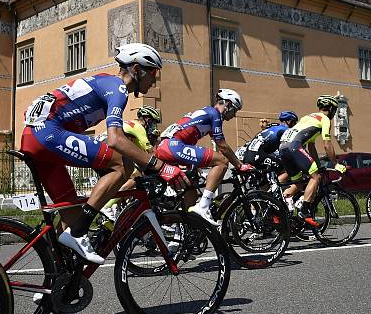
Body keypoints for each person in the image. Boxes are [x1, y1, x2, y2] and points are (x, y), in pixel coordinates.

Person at [20, 43, 184, 265]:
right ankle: (79, 233)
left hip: (36, 136)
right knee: (122, 165)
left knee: (71, 211)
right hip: (47, 133)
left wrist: (145, 162)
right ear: (136, 69)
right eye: (153, 73)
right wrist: (160, 166)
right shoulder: (117, 87)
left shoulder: (104, 82)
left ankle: (55, 277)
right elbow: (115, 139)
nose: (154, 80)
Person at [155, 89, 254, 226]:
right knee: (222, 162)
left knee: (191, 194)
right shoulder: (215, 114)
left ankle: (180, 235)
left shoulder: (206, 112)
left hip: (166, 147)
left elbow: (219, 145)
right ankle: (203, 207)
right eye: (235, 110)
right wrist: (239, 165)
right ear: (228, 105)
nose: (234, 115)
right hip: (175, 146)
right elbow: (222, 146)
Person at [278, 95, 347, 227]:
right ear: (331, 109)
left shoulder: (307, 117)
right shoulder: (325, 119)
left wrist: (318, 164)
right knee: (316, 177)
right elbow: (327, 144)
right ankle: (304, 211)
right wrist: (336, 164)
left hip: (283, 147)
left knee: (298, 185)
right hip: (294, 146)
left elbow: (311, 145)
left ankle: (279, 206)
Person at [241, 111, 298, 181]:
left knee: (265, 180)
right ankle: (276, 188)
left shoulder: (271, 129)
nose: (295, 125)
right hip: (259, 156)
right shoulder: (285, 130)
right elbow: (289, 148)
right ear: (289, 121)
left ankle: (264, 192)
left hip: (248, 156)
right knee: (290, 170)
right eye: (294, 122)